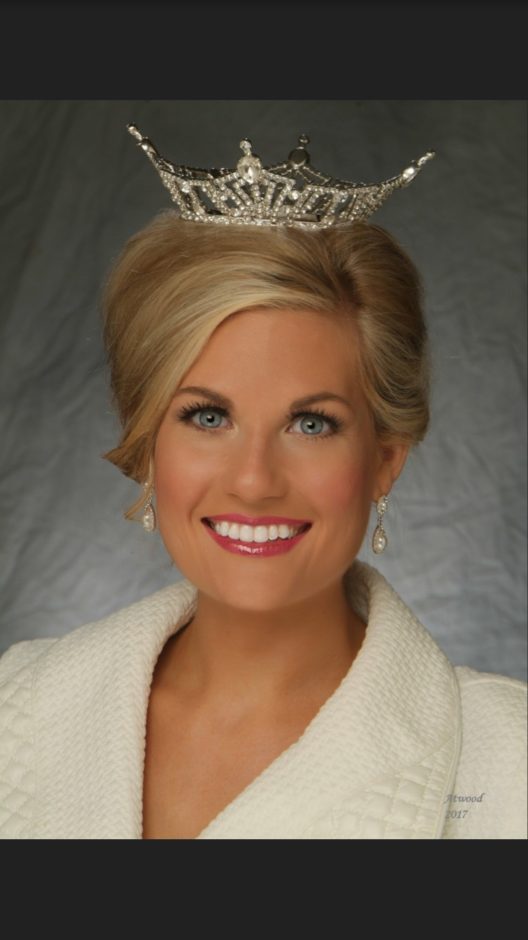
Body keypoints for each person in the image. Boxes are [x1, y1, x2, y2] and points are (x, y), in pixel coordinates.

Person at [0, 131, 525, 840]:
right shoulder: (18, 705)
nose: (253, 481)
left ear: (385, 459)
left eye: (311, 424)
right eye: (208, 416)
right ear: (151, 441)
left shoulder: (507, 761)